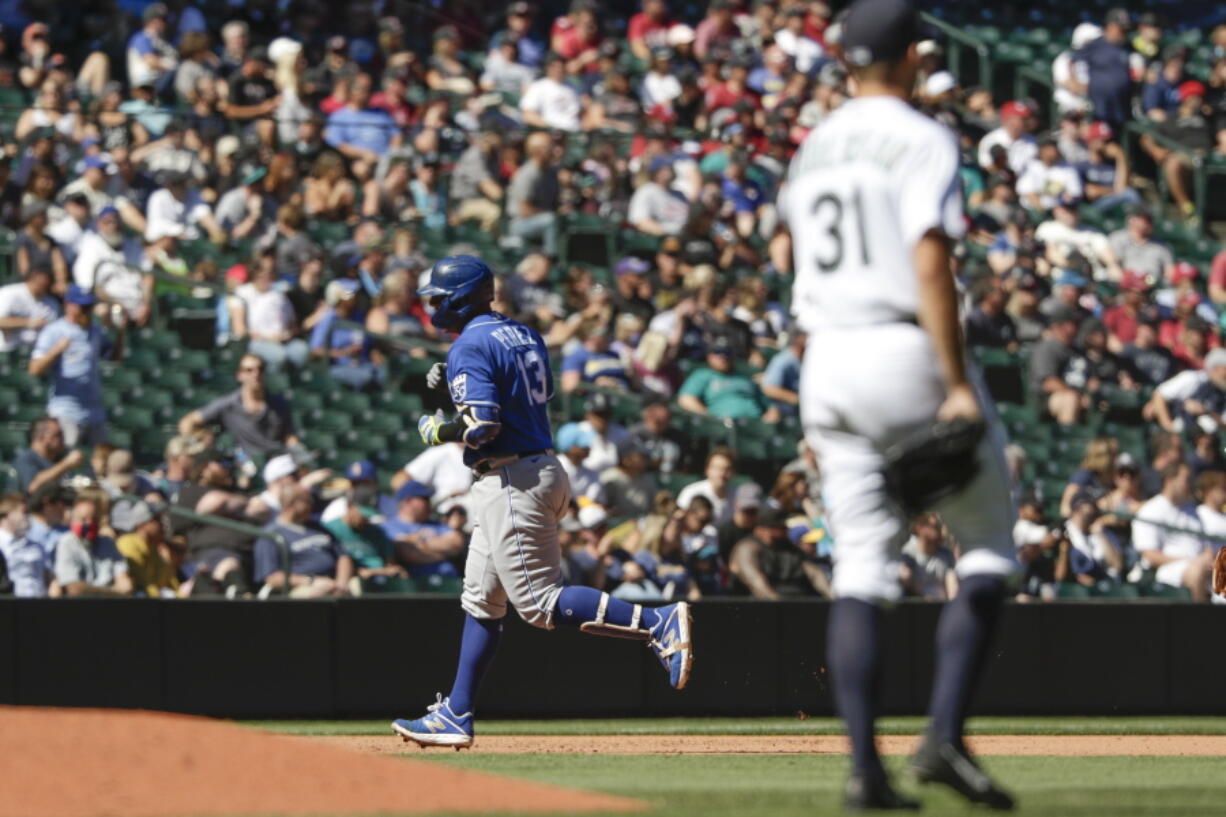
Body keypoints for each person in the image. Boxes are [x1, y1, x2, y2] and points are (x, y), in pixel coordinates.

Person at [778, 0, 1015, 808]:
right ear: (915, 56)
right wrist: (954, 383)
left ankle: (863, 772)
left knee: (861, 564)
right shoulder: (919, 135)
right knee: (984, 545)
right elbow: (929, 260)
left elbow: (792, 254)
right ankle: (943, 736)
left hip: (828, 358)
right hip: (902, 344)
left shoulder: (812, 147)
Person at [393, 254, 693, 748]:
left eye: (440, 299)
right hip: (535, 468)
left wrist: (438, 429)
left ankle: (657, 623)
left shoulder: (470, 344)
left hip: (510, 477)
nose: (433, 307)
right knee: (482, 601)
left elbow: (482, 426)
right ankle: (457, 711)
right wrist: (452, 373)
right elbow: (530, 391)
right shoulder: (523, 333)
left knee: (538, 604)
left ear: (462, 298)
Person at [29, 285, 118, 447]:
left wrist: (120, 331)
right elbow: (34, 368)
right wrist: (57, 350)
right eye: (82, 307)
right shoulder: (54, 331)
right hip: (66, 412)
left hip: (95, 413)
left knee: (100, 463)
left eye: (89, 307)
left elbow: (114, 357)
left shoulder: (96, 331)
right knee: (69, 459)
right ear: (68, 305)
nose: (86, 312)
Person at [179, 353, 298, 459]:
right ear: (239, 375)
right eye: (249, 370)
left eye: (260, 369)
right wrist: (196, 446)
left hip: (277, 460)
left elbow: (290, 438)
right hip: (248, 462)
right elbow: (187, 422)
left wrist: (300, 457)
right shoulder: (228, 404)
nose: (256, 374)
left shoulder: (279, 403)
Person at [1132, 462, 1215, 602]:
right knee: (1197, 571)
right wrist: (1192, 562)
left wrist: (1208, 559)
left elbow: (1206, 546)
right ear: (1169, 480)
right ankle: (1202, 621)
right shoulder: (1150, 510)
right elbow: (1151, 555)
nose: (1190, 485)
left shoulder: (1192, 510)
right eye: (1186, 480)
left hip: (1199, 566)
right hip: (1165, 571)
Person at [254, 485, 354, 598]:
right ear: (292, 503)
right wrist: (311, 581)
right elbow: (272, 578)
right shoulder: (271, 535)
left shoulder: (318, 528)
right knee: (315, 594)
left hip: (334, 582)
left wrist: (341, 583)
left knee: (357, 587)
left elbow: (343, 556)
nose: (312, 505)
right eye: (308, 501)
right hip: (299, 588)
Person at [54, 494, 133, 597]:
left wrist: (91, 590)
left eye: (93, 519)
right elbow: (74, 589)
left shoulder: (108, 543)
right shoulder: (66, 543)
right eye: (83, 519)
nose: (89, 523)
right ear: (72, 521)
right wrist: (114, 593)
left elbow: (126, 586)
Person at [112, 498, 177, 598]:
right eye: (157, 519)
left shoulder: (154, 548)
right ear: (143, 524)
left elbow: (168, 584)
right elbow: (144, 584)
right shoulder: (127, 543)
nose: (163, 524)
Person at [0, 493, 55, 597]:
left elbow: (49, 577)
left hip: (39, 606)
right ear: (6, 514)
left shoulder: (37, 546)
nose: (28, 517)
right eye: (24, 512)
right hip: (10, 607)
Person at [0, 267, 57, 352]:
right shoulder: (9, 293)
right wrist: (30, 322)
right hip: (10, 351)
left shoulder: (51, 302)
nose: (46, 283)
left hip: (38, 352)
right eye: (43, 280)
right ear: (33, 276)